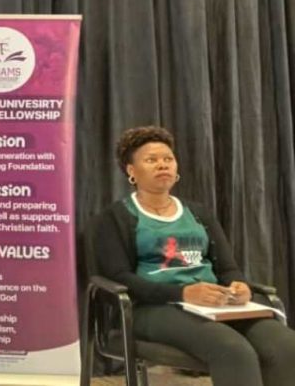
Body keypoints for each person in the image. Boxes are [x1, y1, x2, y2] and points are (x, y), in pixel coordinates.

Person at [92, 126, 295, 386]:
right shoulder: (114, 218)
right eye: (151, 160)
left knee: (286, 346)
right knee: (232, 350)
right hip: (152, 308)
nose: (162, 165)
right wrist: (184, 294)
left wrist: (239, 286)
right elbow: (121, 278)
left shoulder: (199, 213)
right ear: (131, 171)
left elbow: (227, 268)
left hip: (214, 305)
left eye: (168, 159)